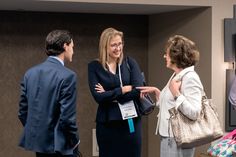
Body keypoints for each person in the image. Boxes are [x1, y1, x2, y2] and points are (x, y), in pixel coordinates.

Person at [137, 35, 203, 157]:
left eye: (166, 54)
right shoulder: (176, 75)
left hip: (179, 138)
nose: (164, 56)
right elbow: (172, 105)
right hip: (169, 137)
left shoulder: (190, 77)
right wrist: (159, 93)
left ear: (176, 56)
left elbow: (194, 113)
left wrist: (177, 94)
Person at [18, 30, 80, 157]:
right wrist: (74, 140)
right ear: (65, 46)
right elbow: (67, 119)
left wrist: (39, 132)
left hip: (39, 145)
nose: (73, 51)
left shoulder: (30, 73)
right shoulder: (68, 76)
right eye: (72, 47)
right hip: (61, 147)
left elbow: (23, 112)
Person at [88, 27, 143, 157]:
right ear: (105, 46)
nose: (118, 48)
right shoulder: (94, 67)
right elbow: (98, 97)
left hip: (130, 122)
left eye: (120, 44)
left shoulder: (130, 63)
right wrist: (122, 90)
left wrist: (109, 94)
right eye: (113, 45)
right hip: (107, 123)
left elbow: (137, 91)